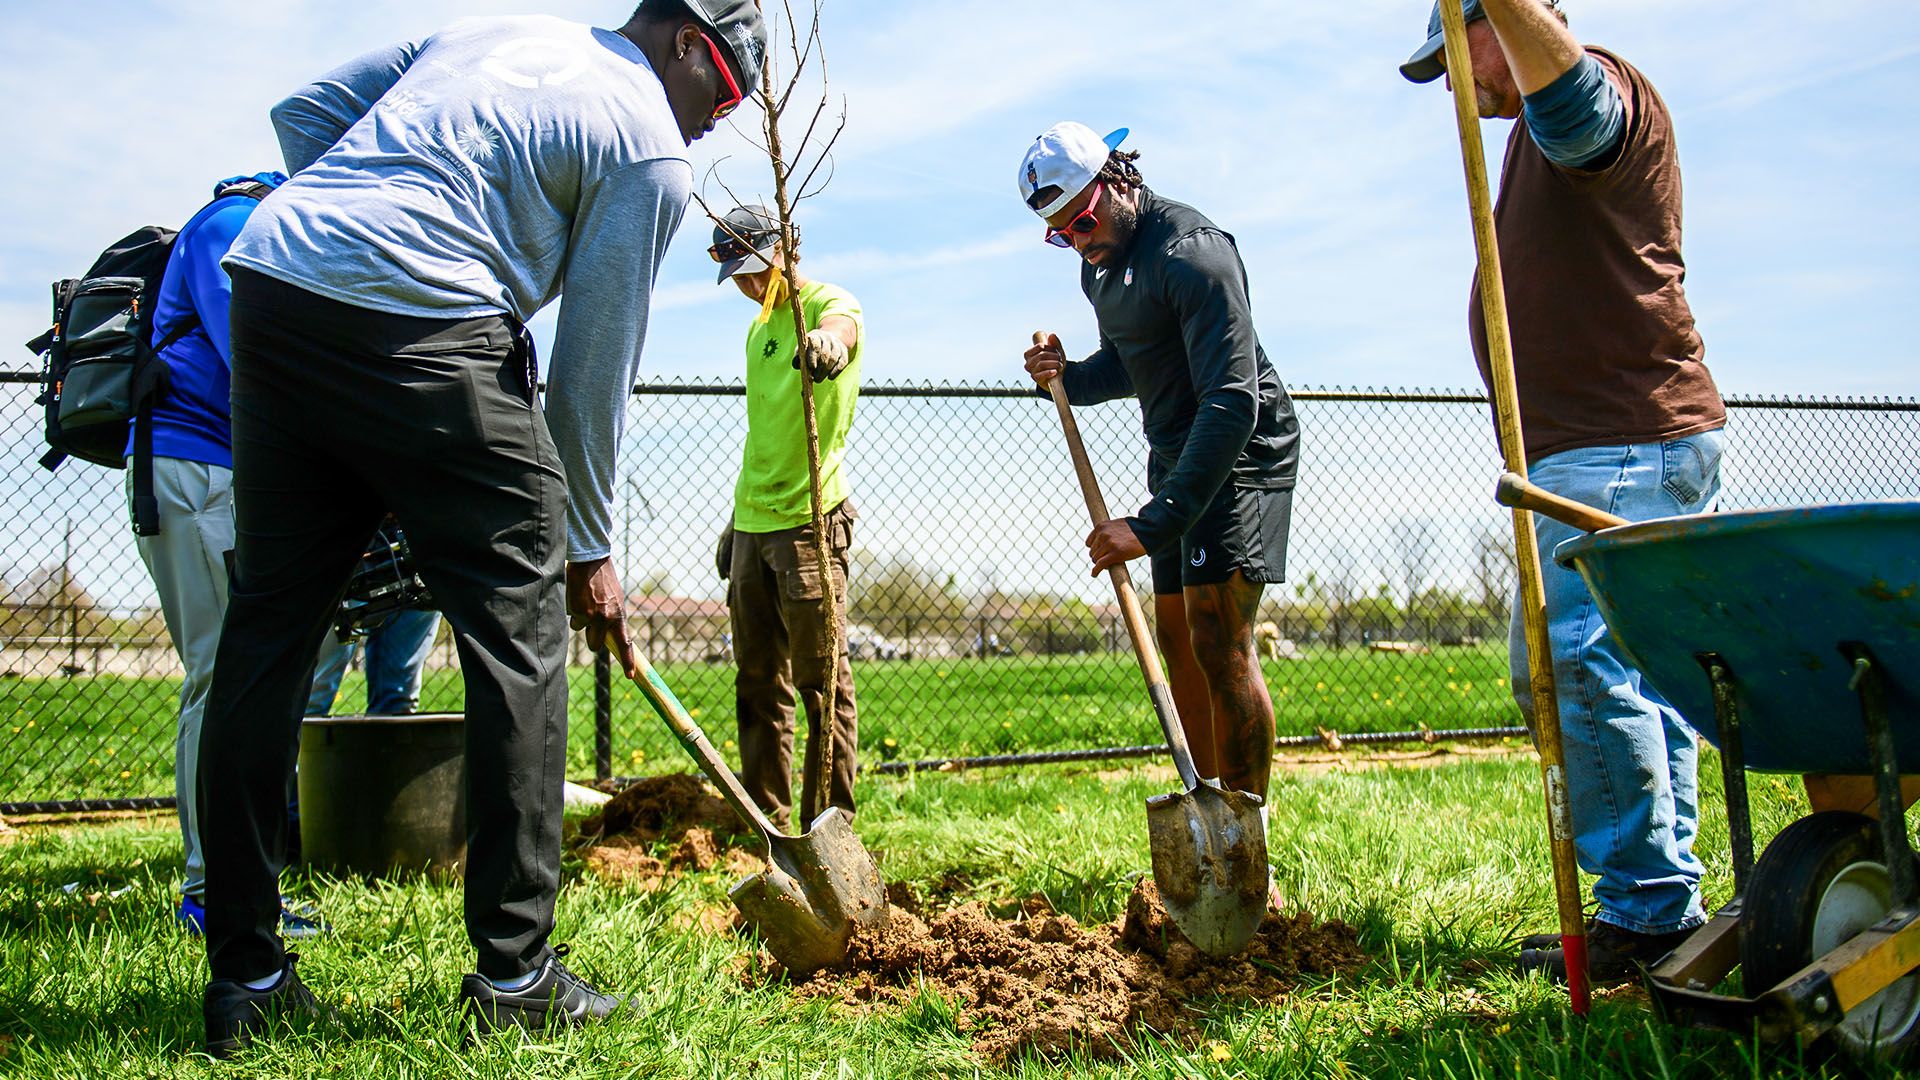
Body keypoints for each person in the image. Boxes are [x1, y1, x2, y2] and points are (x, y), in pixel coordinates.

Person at [193, 0, 766, 1055]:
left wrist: (363, 241)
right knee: (519, 636)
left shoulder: (494, 30)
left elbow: (302, 114)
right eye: (724, 94)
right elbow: (591, 372)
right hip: (432, 317)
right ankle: (515, 974)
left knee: (268, 634)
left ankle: (248, 979)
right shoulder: (649, 146)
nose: (715, 122)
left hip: (279, 283)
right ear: (689, 41)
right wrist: (587, 551)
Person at [1401, 0, 1727, 984]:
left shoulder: (1589, 97)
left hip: (1621, 442)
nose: (1456, 84)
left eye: (1457, 53)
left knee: (1577, 664)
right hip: (1607, 444)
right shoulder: (1529, 139)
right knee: (1629, 674)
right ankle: (1656, 903)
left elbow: (1579, 110)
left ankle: (1644, 914)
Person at [1017, 123, 1301, 838]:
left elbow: (1232, 400)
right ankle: (1207, 819)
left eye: (1082, 221)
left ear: (1117, 181)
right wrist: (1067, 377)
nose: (1077, 241)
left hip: (1240, 452)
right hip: (1177, 453)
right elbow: (1130, 362)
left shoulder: (1193, 254)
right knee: (1177, 638)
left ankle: (1247, 840)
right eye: (1059, 235)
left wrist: (1150, 525)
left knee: (1217, 636)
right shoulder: (1100, 267)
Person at [121, 170, 328, 940]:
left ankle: (240, 886)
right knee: (220, 675)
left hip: (220, 471)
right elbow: (257, 355)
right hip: (192, 468)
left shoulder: (251, 226)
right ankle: (214, 894)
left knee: (243, 675)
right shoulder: (230, 223)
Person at [709, 205, 864, 831]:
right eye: (736, 277)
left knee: (823, 683)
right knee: (757, 680)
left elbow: (841, 329)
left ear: (784, 248)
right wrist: (735, 520)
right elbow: (763, 435)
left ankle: (829, 831)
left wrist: (828, 344)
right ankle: (766, 824)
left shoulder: (829, 303)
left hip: (809, 521)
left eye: (754, 269)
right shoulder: (757, 330)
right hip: (753, 522)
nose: (749, 285)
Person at [305, 520, 443, 717]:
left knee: (398, 700)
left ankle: (390, 737)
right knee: (312, 693)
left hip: (416, 540)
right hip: (342, 535)